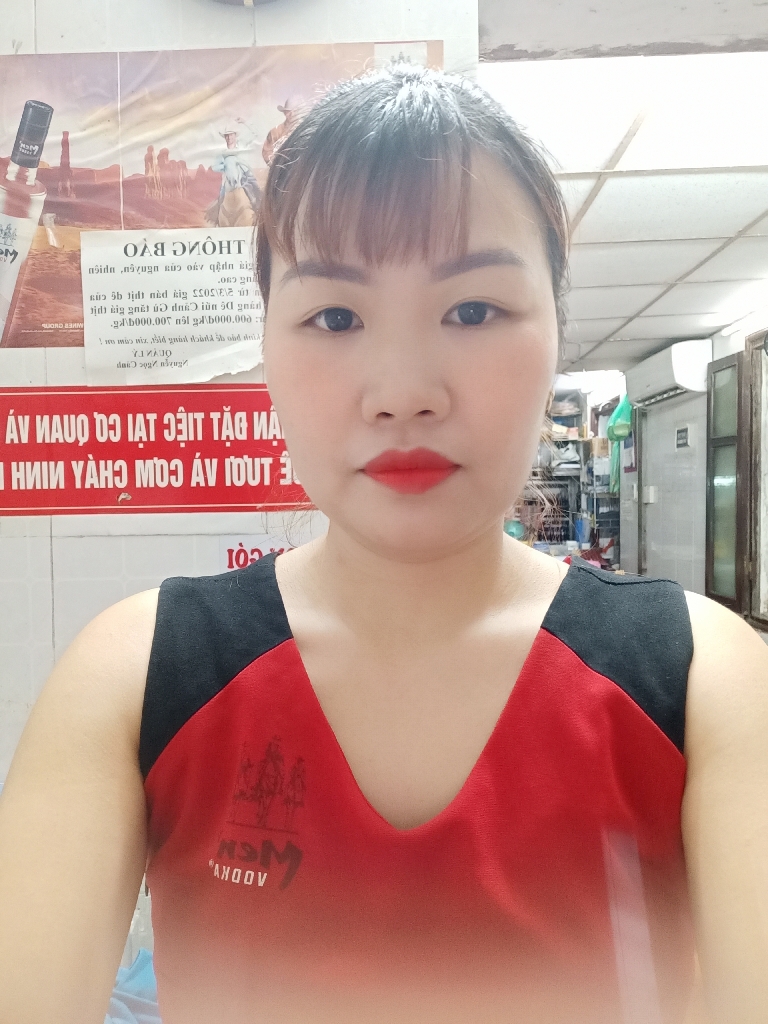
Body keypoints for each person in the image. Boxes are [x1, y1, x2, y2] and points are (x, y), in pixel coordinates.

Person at [1, 62, 767, 1024]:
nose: (404, 392)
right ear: (267, 351)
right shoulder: (138, 677)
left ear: (556, 338)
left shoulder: (701, 682)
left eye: (473, 310)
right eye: (335, 316)